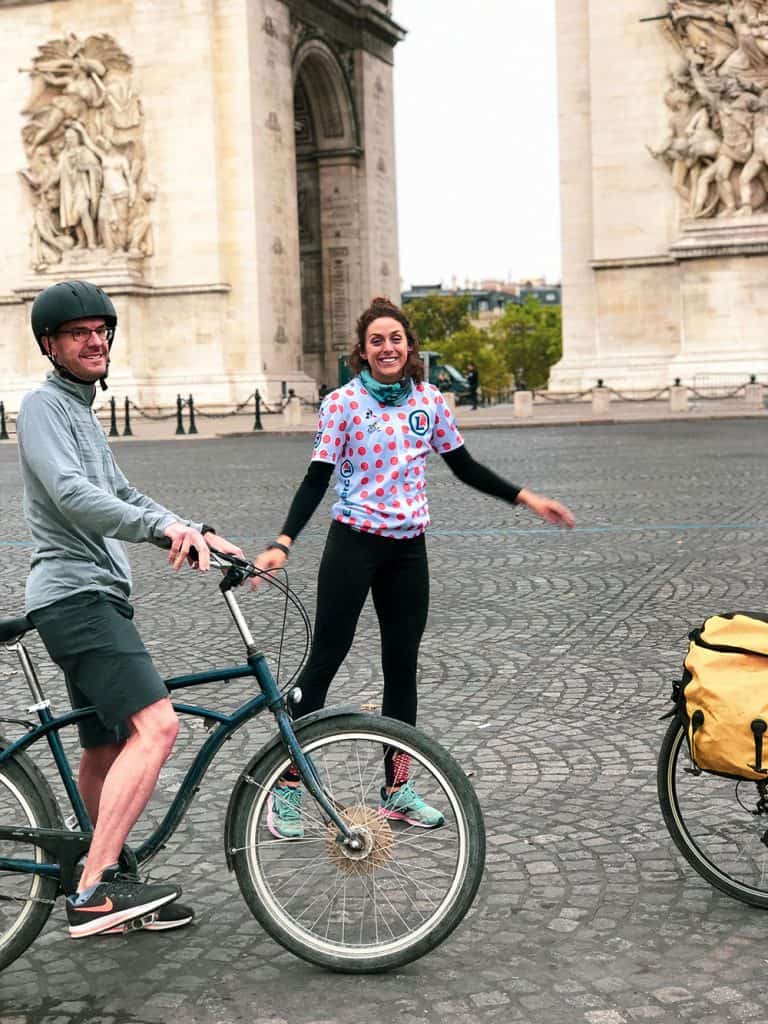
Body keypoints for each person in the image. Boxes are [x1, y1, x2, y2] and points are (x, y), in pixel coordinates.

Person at [254, 297, 574, 839]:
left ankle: (396, 789)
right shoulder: (342, 405)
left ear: (409, 348)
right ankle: (286, 783)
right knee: (325, 660)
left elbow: (464, 466)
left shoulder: (429, 401)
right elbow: (316, 479)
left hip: (408, 551)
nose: (387, 348)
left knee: (402, 668)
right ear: (362, 351)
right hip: (352, 544)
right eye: (377, 340)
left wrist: (527, 498)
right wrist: (284, 541)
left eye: (395, 339)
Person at [16, 280, 244, 938]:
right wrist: (160, 533)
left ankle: (109, 876)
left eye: (102, 330)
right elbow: (71, 496)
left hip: (92, 597)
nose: (96, 341)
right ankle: (90, 891)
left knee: (106, 746)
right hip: (76, 597)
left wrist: (195, 527)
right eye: (79, 333)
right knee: (159, 726)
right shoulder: (41, 408)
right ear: (50, 345)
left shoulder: (81, 413)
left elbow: (122, 491)